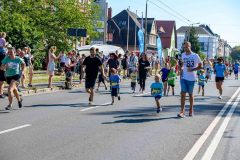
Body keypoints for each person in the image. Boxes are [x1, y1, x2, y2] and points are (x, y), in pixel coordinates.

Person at [178, 41, 202, 118]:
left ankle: (191, 109)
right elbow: (182, 65)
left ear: (190, 46)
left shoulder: (195, 56)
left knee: (190, 94)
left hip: (192, 78)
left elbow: (200, 66)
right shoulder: (183, 55)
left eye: (187, 47)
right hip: (184, 78)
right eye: (184, 47)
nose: (185, 48)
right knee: (182, 93)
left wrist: (192, 69)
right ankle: (182, 111)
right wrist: (181, 72)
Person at [0, 45, 25, 110]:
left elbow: (23, 64)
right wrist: (5, 67)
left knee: (10, 89)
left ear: (15, 52)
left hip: (16, 76)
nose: (10, 53)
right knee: (14, 90)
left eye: (11, 52)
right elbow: (1, 67)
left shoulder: (18, 59)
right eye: (9, 52)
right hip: (8, 76)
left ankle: (10, 105)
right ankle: (19, 99)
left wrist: (22, 71)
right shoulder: (6, 58)